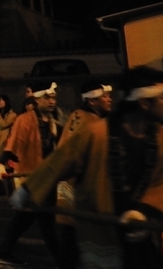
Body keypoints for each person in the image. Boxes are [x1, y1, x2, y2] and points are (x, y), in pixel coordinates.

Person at [12, 67, 163, 269]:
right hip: (100, 226)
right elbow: (62, 158)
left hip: (142, 229)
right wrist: (29, 189)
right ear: (144, 103)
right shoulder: (96, 132)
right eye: (162, 98)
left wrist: (144, 213)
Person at [0, 80, 65, 266]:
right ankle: (63, 260)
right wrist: (1, 164)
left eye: (53, 97)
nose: (51, 101)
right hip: (30, 179)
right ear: (37, 99)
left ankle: (5, 253)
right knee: (42, 221)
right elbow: (14, 144)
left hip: (47, 179)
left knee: (30, 220)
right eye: (47, 97)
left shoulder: (55, 120)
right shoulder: (25, 120)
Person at [54, 81, 113, 269]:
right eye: (104, 97)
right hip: (80, 187)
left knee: (71, 235)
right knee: (78, 236)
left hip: (69, 185)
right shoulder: (90, 122)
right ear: (92, 101)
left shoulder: (77, 117)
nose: (109, 99)